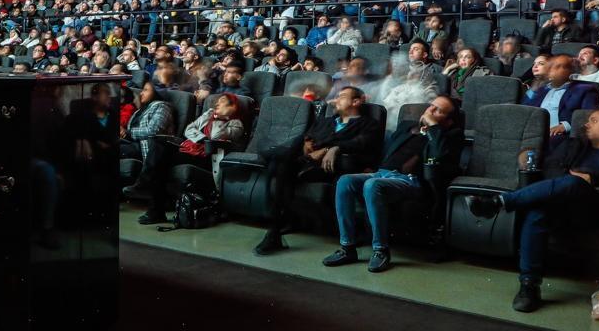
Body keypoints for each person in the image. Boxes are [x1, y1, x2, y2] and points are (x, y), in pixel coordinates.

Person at [474, 108, 599, 312]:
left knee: (573, 183)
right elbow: (550, 167)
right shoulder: (575, 145)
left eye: (594, 120)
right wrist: (570, 180)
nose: (586, 124)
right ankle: (529, 285)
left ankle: (499, 203)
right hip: (564, 204)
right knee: (539, 211)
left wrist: (592, 178)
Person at [323, 96, 462, 272]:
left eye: (438, 111)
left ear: (448, 121)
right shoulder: (407, 127)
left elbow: (440, 157)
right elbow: (389, 153)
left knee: (373, 185)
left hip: (411, 180)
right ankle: (347, 247)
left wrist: (433, 128)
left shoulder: (449, 135)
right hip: (382, 173)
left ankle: (380, 250)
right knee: (345, 181)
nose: (430, 111)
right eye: (431, 106)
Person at [256, 86, 379, 256]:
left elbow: (361, 144)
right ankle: (275, 231)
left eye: (342, 96)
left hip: (337, 167)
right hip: (309, 163)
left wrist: (333, 148)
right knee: (282, 163)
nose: (336, 100)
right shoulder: (326, 121)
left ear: (356, 101)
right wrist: (306, 142)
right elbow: (308, 136)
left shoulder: (368, 124)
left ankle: (276, 229)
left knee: (280, 162)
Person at [137, 93, 246, 225]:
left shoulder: (236, 124)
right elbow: (188, 130)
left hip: (207, 158)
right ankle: (154, 207)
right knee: (159, 146)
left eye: (222, 102)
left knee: (161, 158)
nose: (216, 104)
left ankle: (147, 193)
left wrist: (218, 118)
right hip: (191, 150)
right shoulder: (209, 115)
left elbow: (216, 135)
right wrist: (203, 134)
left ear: (233, 107)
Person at [120, 82, 175, 208]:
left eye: (146, 90)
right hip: (133, 144)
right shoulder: (140, 110)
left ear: (156, 93)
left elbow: (154, 131)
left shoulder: (162, 106)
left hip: (148, 148)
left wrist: (128, 133)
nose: (141, 93)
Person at [521, 54, 599, 139]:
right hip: (532, 134)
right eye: (551, 66)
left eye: (558, 66)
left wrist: (565, 126)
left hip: (559, 137)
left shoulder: (584, 90)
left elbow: (590, 115)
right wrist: (534, 89)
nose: (552, 69)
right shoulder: (542, 89)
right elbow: (524, 109)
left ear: (570, 71)